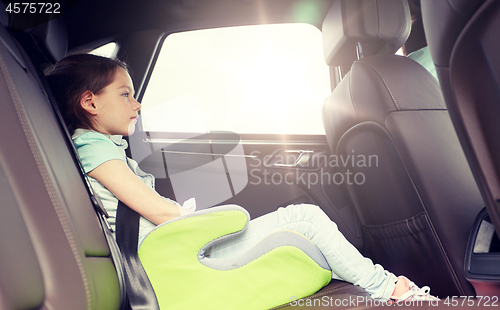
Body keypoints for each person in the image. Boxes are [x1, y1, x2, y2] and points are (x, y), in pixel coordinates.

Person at [45, 53, 436, 302]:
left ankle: (383, 286)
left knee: (302, 220)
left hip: (169, 248)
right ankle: (392, 290)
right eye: (126, 94)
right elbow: (158, 213)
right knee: (307, 218)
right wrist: (203, 221)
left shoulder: (101, 146)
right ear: (90, 101)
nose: (137, 103)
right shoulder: (92, 146)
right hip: (169, 256)